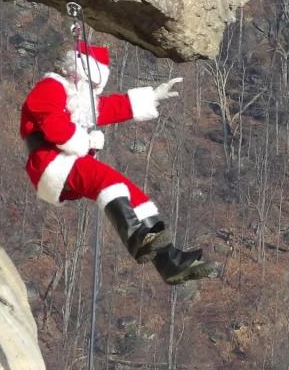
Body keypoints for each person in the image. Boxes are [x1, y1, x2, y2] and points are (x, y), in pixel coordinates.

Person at [20, 41, 217, 285]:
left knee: (134, 195)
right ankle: (136, 237)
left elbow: (109, 107)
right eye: (92, 84)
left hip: (66, 161)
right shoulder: (51, 87)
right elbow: (53, 125)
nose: (94, 91)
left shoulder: (77, 98)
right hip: (50, 163)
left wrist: (152, 96)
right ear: (79, 73)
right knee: (108, 182)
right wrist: (85, 141)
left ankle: (169, 261)